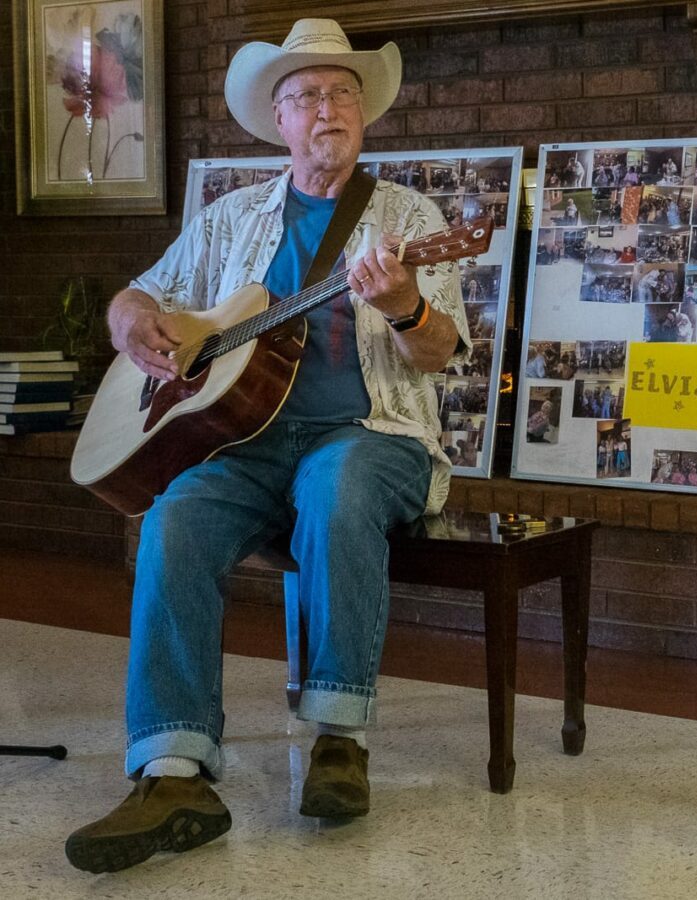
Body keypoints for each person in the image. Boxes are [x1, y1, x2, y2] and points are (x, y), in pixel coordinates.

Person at [64, 19, 470, 874]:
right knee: (172, 520)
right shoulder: (232, 216)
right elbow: (140, 295)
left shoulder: (409, 219)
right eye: (310, 96)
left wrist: (401, 303)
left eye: (344, 94)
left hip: (372, 434)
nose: (330, 109)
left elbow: (437, 355)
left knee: (338, 486)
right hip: (243, 444)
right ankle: (173, 773)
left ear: (366, 114)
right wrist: (137, 325)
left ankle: (338, 739)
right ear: (278, 121)